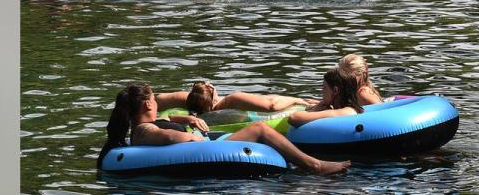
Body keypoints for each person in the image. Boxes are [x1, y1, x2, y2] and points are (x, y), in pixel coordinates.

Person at [96, 84, 350, 174]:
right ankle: (314, 165)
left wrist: (186, 120)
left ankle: (305, 164)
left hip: (204, 141)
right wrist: (190, 135)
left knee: (258, 129)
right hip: (206, 149)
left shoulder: (140, 126)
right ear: (149, 103)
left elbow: (166, 124)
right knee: (260, 128)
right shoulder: (146, 132)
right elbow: (168, 137)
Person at [288, 69, 364, 127]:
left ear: (335, 91)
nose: (322, 90)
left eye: (324, 87)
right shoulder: (353, 109)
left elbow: (293, 118)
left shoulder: (343, 112)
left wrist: (316, 109)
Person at [185, 81, 314, 115]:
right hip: (290, 108)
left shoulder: (202, 115)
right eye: (211, 87)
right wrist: (297, 100)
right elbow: (271, 106)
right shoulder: (232, 100)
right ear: (212, 98)